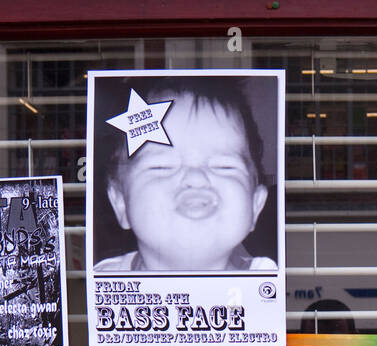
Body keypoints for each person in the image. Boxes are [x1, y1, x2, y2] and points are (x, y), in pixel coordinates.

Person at [97, 78, 274, 272]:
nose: (195, 178)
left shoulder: (264, 283)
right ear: (120, 202)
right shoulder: (107, 282)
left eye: (224, 166)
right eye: (161, 167)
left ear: (256, 206)